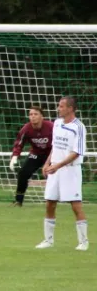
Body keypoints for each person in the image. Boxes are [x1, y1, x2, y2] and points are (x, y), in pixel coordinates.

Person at [35, 97, 88, 251]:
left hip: (70, 170)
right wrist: (47, 163)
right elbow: (55, 146)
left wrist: (58, 165)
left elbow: (77, 153)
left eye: (61, 106)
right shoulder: (57, 123)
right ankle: (48, 240)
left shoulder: (79, 127)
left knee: (76, 206)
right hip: (55, 169)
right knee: (50, 203)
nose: (58, 108)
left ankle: (83, 242)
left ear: (70, 108)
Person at [8, 106, 53, 206]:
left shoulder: (50, 126)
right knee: (23, 173)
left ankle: (55, 199)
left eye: (36, 114)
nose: (33, 117)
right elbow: (19, 143)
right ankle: (18, 200)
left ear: (42, 116)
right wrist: (15, 156)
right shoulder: (26, 129)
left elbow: (58, 142)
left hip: (51, 154)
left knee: (53, 175)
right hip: (36, 154)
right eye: (31, 114)